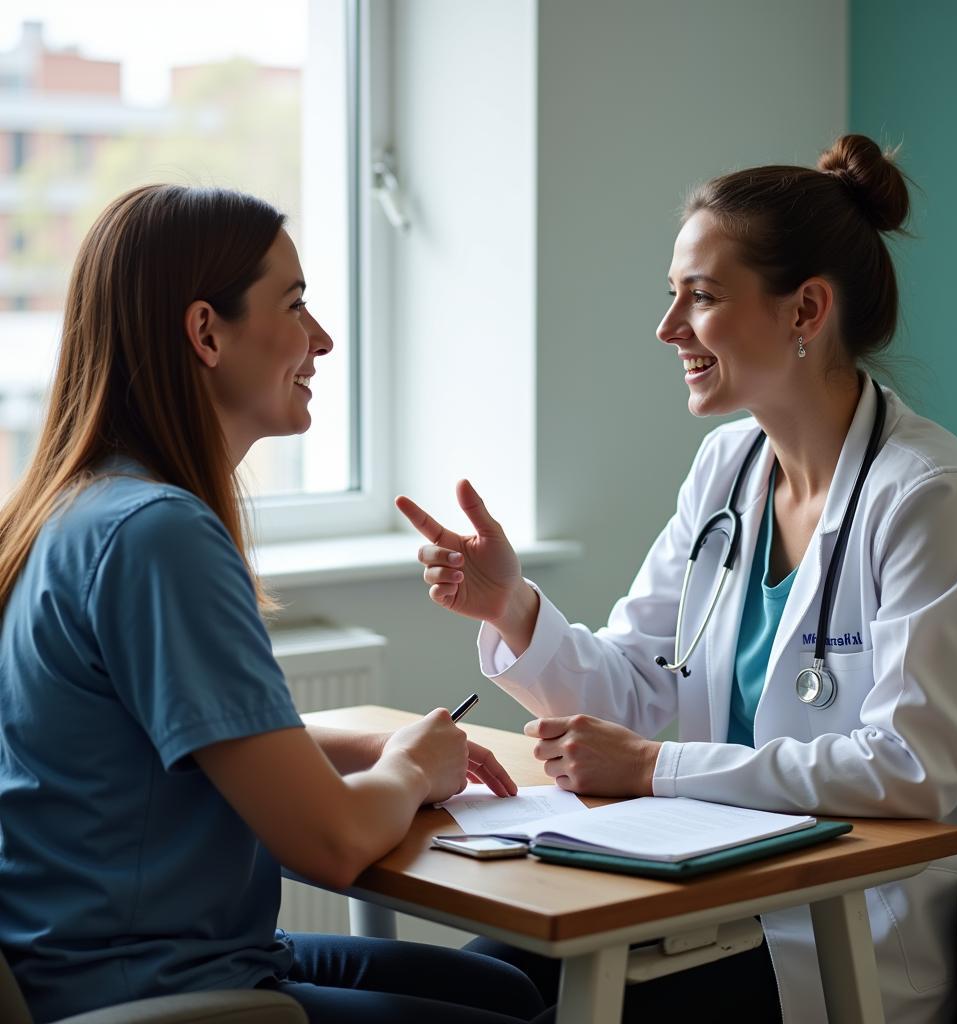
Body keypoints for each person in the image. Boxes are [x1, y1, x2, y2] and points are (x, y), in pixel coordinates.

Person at [396, 134, 957, 1024]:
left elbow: (912, 770)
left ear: (806, 310)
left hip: (847, 926)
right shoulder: (726, 468)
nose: (668, 328)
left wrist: (657, 769)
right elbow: (641, 686)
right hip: (706, 885)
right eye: (672, 296)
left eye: (702, 297)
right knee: (478, 987)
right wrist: (514, 608)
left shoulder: (928, 495)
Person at [0, 184, 548, 1024]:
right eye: (295, 306)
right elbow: (329, 844)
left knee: (506, 991)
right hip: (153, 990)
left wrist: (367, 744)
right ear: (206, 332)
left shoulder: (77, 508)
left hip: (110, 960)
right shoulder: (159, 535)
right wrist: (411, 769)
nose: (321, 339)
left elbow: (190, 735)